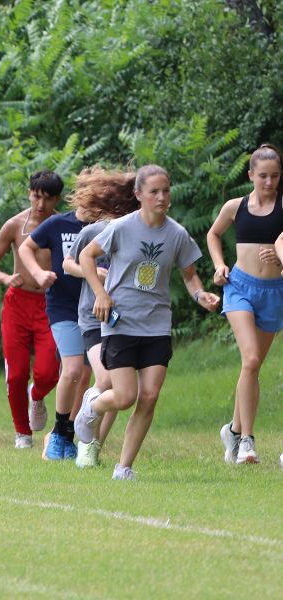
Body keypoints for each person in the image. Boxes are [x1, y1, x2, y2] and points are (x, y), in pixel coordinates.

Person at [74, 165, 220, 481]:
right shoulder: (122, 228)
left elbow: (190, 275)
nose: (162, 197)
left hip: (156, 325)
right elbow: (86, 256)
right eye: (154, 191)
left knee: (150, 396)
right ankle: (92, 406)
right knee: (125, 397)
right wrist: (100, 294)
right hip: (121, 323)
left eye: (166, 190)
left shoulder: (177, 234)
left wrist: (201, 296)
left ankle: (123, 468)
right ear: (139, 195)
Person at [207, 144, 283, 465]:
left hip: (274, 291)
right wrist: (219, 264)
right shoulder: (235, 207)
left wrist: (279, 260)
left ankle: (234, 431)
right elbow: (213, 235)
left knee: (252, 367)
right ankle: (247, 441)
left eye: (275, 176)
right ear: (250, 174)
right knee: (250, 359)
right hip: (239, 288)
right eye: (263, 176)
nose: (269, 182)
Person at [61, 168, 140, 467]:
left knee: (121, 388)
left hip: (128, 319)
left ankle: (93, 445)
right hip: (93, 317)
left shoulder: (148, 236)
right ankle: (86, 431)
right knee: (106, 379)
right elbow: (69, 264)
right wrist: (94, 273)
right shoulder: (94, 232)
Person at [0, 171, 62, 449]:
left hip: (52, 305)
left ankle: (36, 396)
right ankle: (22, 433)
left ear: (56, 199)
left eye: (48, 199)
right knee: (15, 374)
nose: (41, 204)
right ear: (29, 193)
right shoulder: (14, 225)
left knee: (48, 372)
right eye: (37, 196)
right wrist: (5, 278)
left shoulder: (63, 225)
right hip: (17, 304)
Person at [17, 172, 90, 461]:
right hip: (61, 304)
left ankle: (68, 433)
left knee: (84, 375)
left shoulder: (105, 225)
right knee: (71, 370)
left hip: (93, 305)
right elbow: (26, 247)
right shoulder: (59, 223)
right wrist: (38, 273)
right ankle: (59, 433)